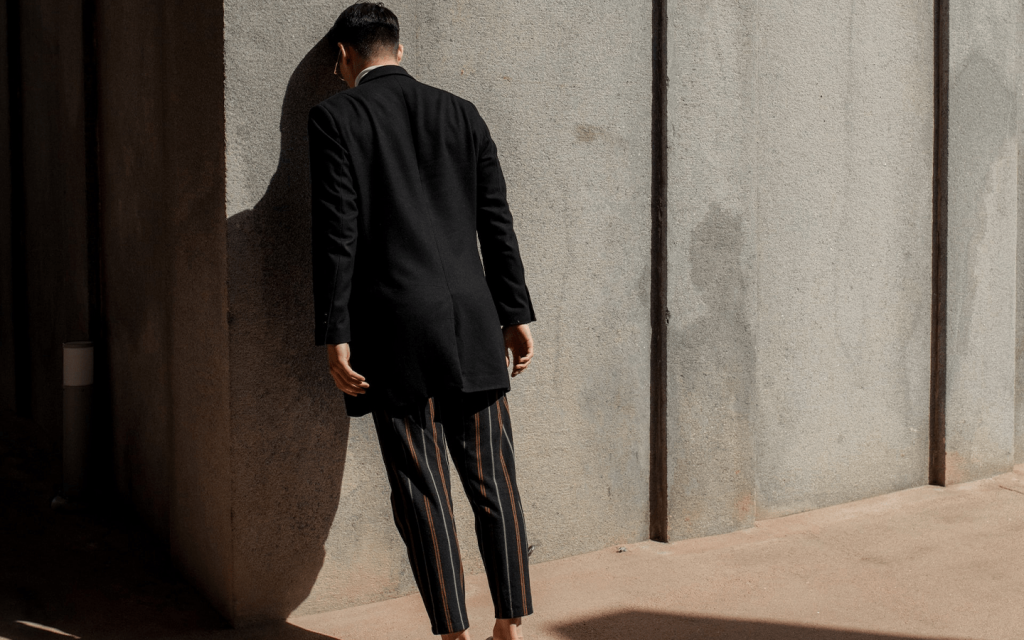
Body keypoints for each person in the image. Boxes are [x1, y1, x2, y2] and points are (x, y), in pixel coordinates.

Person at [307, 4, 536, 639]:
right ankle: (509, 624)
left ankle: (454, 634)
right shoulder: (460, 112)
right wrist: (515, 313)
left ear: (344, 58)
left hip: (394, 327)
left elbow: (338, 234)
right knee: (495, 478)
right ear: (400, 51)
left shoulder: (335, 117)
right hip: (472, 316)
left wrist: (336, 332)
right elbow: (497, 221)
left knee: (420, 485)